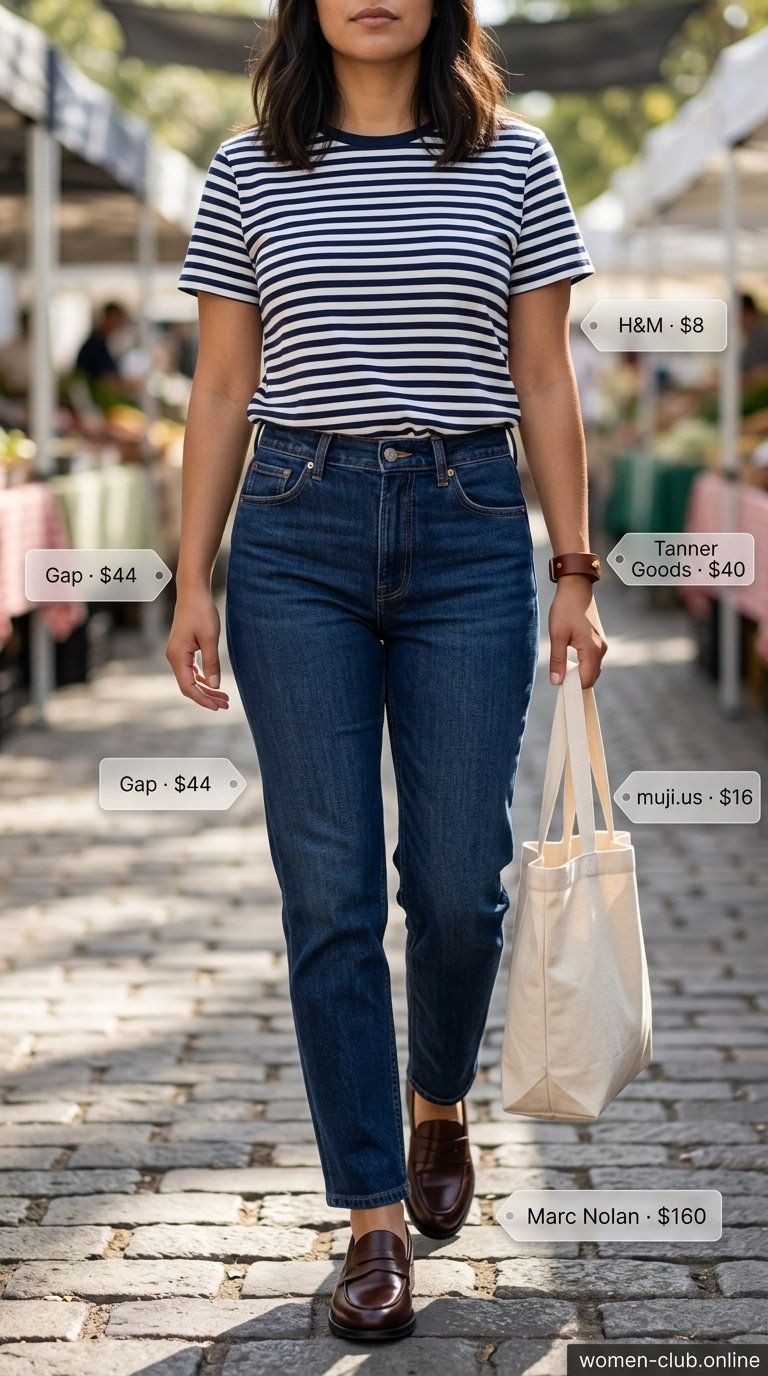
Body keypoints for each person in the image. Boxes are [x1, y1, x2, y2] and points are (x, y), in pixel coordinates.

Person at [165, 0, 607, 1343]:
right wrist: (189, 574)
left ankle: (439, 1102)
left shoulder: (517, 162)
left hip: (472, 530)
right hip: (295, 534)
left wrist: (575, 574)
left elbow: (543, 377)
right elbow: (222, 383)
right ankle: (369, 1217)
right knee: (332, 890)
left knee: (461, 886)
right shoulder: (248, 169)